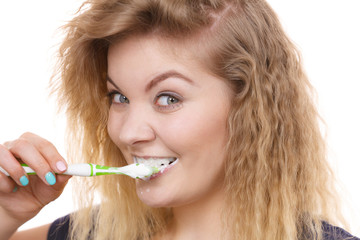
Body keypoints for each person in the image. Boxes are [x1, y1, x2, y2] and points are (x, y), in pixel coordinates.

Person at [0, 0, 358, 239]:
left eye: (168, 98)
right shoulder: (89, 233)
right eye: (119, 97)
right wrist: (5, 216)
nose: (127, 133)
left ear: (250, 108)